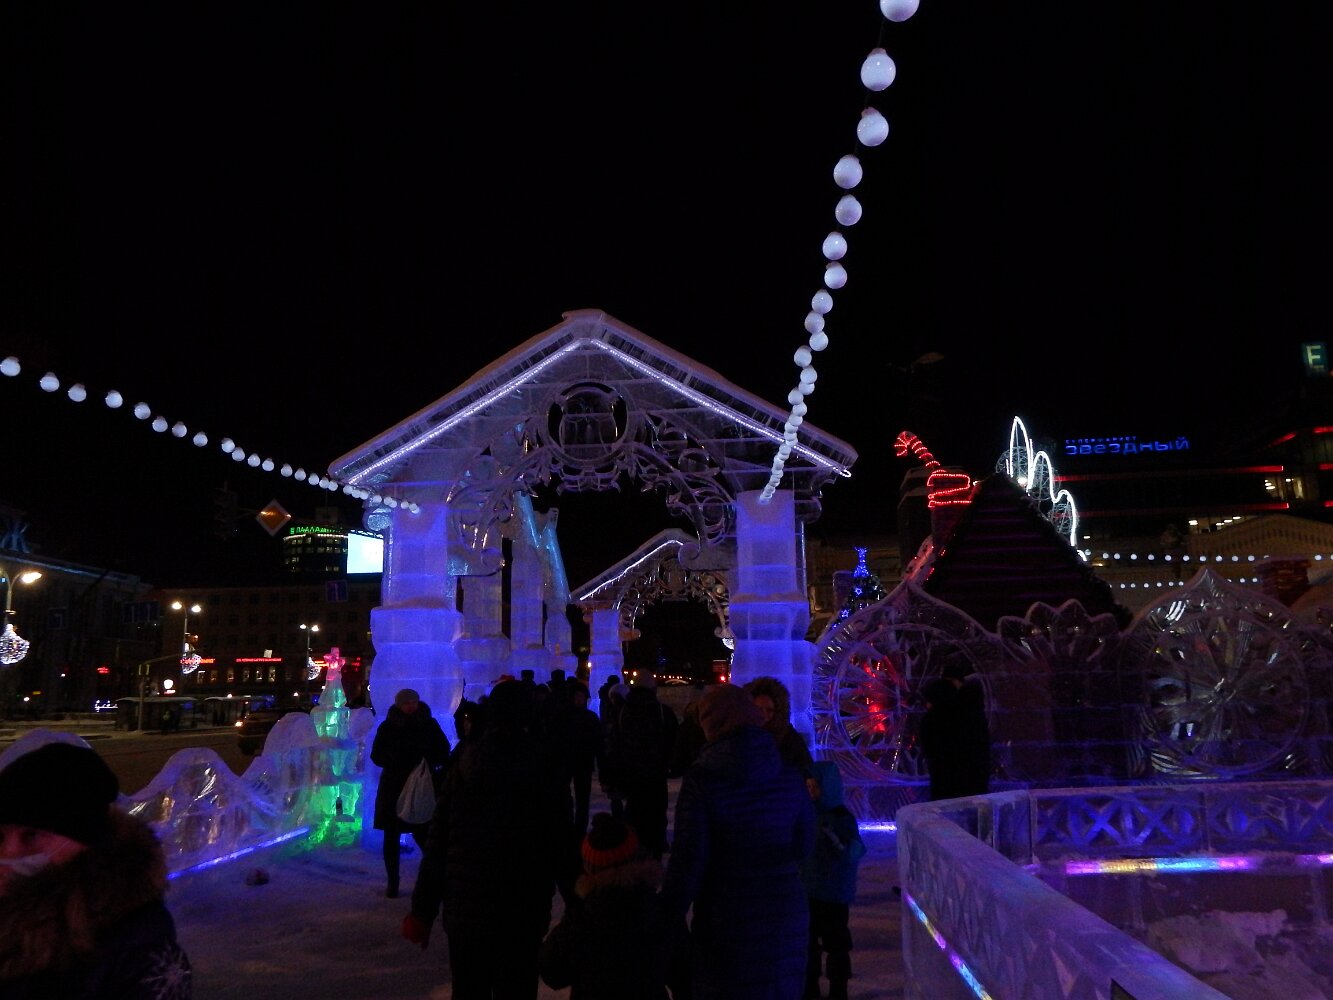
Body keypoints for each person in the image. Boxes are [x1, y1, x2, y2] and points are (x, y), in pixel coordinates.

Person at [404, 679, 570, 999]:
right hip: (523, 907)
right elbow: (561, 843)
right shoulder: (544, 769)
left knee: (469, 988)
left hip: (467, 909)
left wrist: (422, 911)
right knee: (517, 988)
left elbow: (438, 845)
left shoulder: (465, 766)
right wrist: (581, 904)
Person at [0, 737, 193, 999]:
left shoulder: (138, 948)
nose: (8, 852)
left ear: (86, 841)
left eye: (32, 835)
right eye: (0, 836)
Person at [661, 683, 816, 1000]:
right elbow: (805, 842)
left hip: (728, 917)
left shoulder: (703, 779)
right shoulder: (788, 774)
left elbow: (688, 861)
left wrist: (665, 918)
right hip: (786, 915)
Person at [538, 812, 669, 999]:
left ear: (589, 867)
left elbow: (552, 972)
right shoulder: (657, 910)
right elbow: (682, 967)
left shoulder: (580, 922)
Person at [370, 688, 452, 898]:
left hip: (420, 785)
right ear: (399, 705)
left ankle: (435, 877)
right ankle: (393, 881)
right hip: (394, 787)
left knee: (423, 832)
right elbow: (377, 755)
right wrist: (396, 761)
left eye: (413, 702)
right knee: (392, 835)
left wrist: (427, 761)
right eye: (406, 703)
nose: (411, 706)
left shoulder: (428, 724)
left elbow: (443, 750)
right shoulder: (389, 726)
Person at [799, 761, 866, 1000]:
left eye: (815, 787)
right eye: (808, 786)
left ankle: (839, 989)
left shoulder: (841, 817)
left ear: (826, 786)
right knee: (808, 944)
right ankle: (810, 988)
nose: (810, 791)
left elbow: (854, 851)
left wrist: (837, 840)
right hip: (808, 891)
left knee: (836, 943)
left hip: (832, 895)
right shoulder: (807, 815)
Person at [605, 674, 678, 859]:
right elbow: (674, 743)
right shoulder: (663, 711)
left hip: (631, 776)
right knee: (657, 818)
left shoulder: (622, 712)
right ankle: (654, 860)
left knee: (634, 818)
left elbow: (614, 746)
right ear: (653, 689)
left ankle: (635, 859)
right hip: (656, 776)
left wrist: (612, 776)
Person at [918, 669, 990, 802]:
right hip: (973, 782)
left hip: (944, 784)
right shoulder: (969, 714)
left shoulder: (931, 720)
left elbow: (929, 750)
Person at [745, 675, 814, 773]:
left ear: (777, 711)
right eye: (759, 709)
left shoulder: (789, 738)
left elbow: (806, 769)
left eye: (769, 710)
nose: (763, 714)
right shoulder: (742, 735)